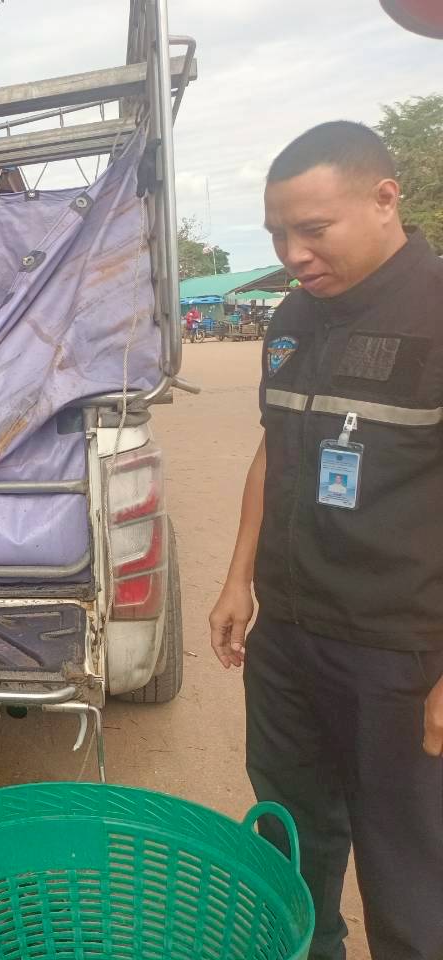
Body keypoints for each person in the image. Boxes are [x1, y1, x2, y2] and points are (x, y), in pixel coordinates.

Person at [209, 121, 443, 960]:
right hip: (292, 637)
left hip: (400, 653)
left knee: (410, 871)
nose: (294, 252)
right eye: (278, 234)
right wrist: (239, 580)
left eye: (314, 229)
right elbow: (276, 448)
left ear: (386, 199)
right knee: (291, 846)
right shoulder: (293, 316)